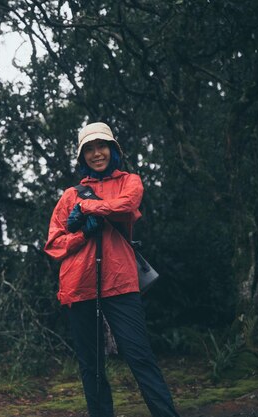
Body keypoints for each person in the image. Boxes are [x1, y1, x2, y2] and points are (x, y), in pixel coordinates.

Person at [44, 122, 180, 417]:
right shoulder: (70, 195)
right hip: (79, 285)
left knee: (140, 357)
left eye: (101, 146)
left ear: (113, 149)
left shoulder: (130, 181)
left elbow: (126, 205)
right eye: (89, 149)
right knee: (91, 366)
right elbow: (53, 244)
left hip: (121, 283)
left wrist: (88, 210)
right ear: (82, 157)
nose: (97, 154)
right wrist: (82, 234)